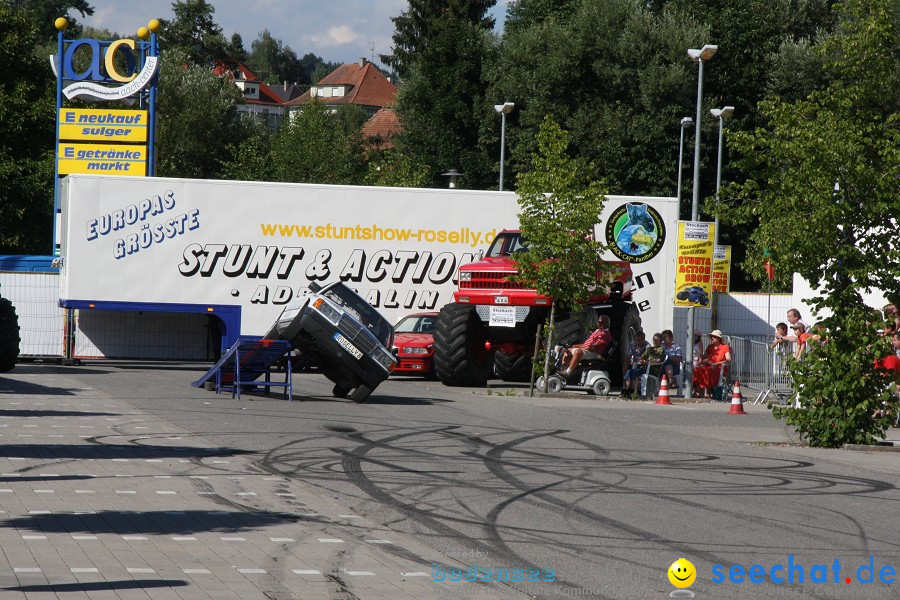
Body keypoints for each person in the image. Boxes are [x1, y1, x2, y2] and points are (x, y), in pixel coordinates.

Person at [692, 330, 732, 398]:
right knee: (696, 370)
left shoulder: (725, 347)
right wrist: (703, 359)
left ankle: (708, 392)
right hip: (709, 365)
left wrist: (717, 363)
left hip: (719, 368)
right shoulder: (710, 347)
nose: (712, 338)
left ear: (719, 339)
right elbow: (704, 357)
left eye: (714, 337)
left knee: (708, 371)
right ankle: (697, 392)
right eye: (712, 336)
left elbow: (728, 360)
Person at [621, 330, 650, 397]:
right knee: (628, 371)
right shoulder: (633, 344)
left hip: (644, 366)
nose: (637, 342)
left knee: (635, 372)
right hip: (635, 363)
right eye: (636, 340)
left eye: (639, 340)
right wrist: (628, 361)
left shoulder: (647, 346)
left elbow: (649, 359)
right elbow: (629, 355)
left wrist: (644, 362)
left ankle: (635, 390)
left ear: (643, 340)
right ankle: (627, 389)